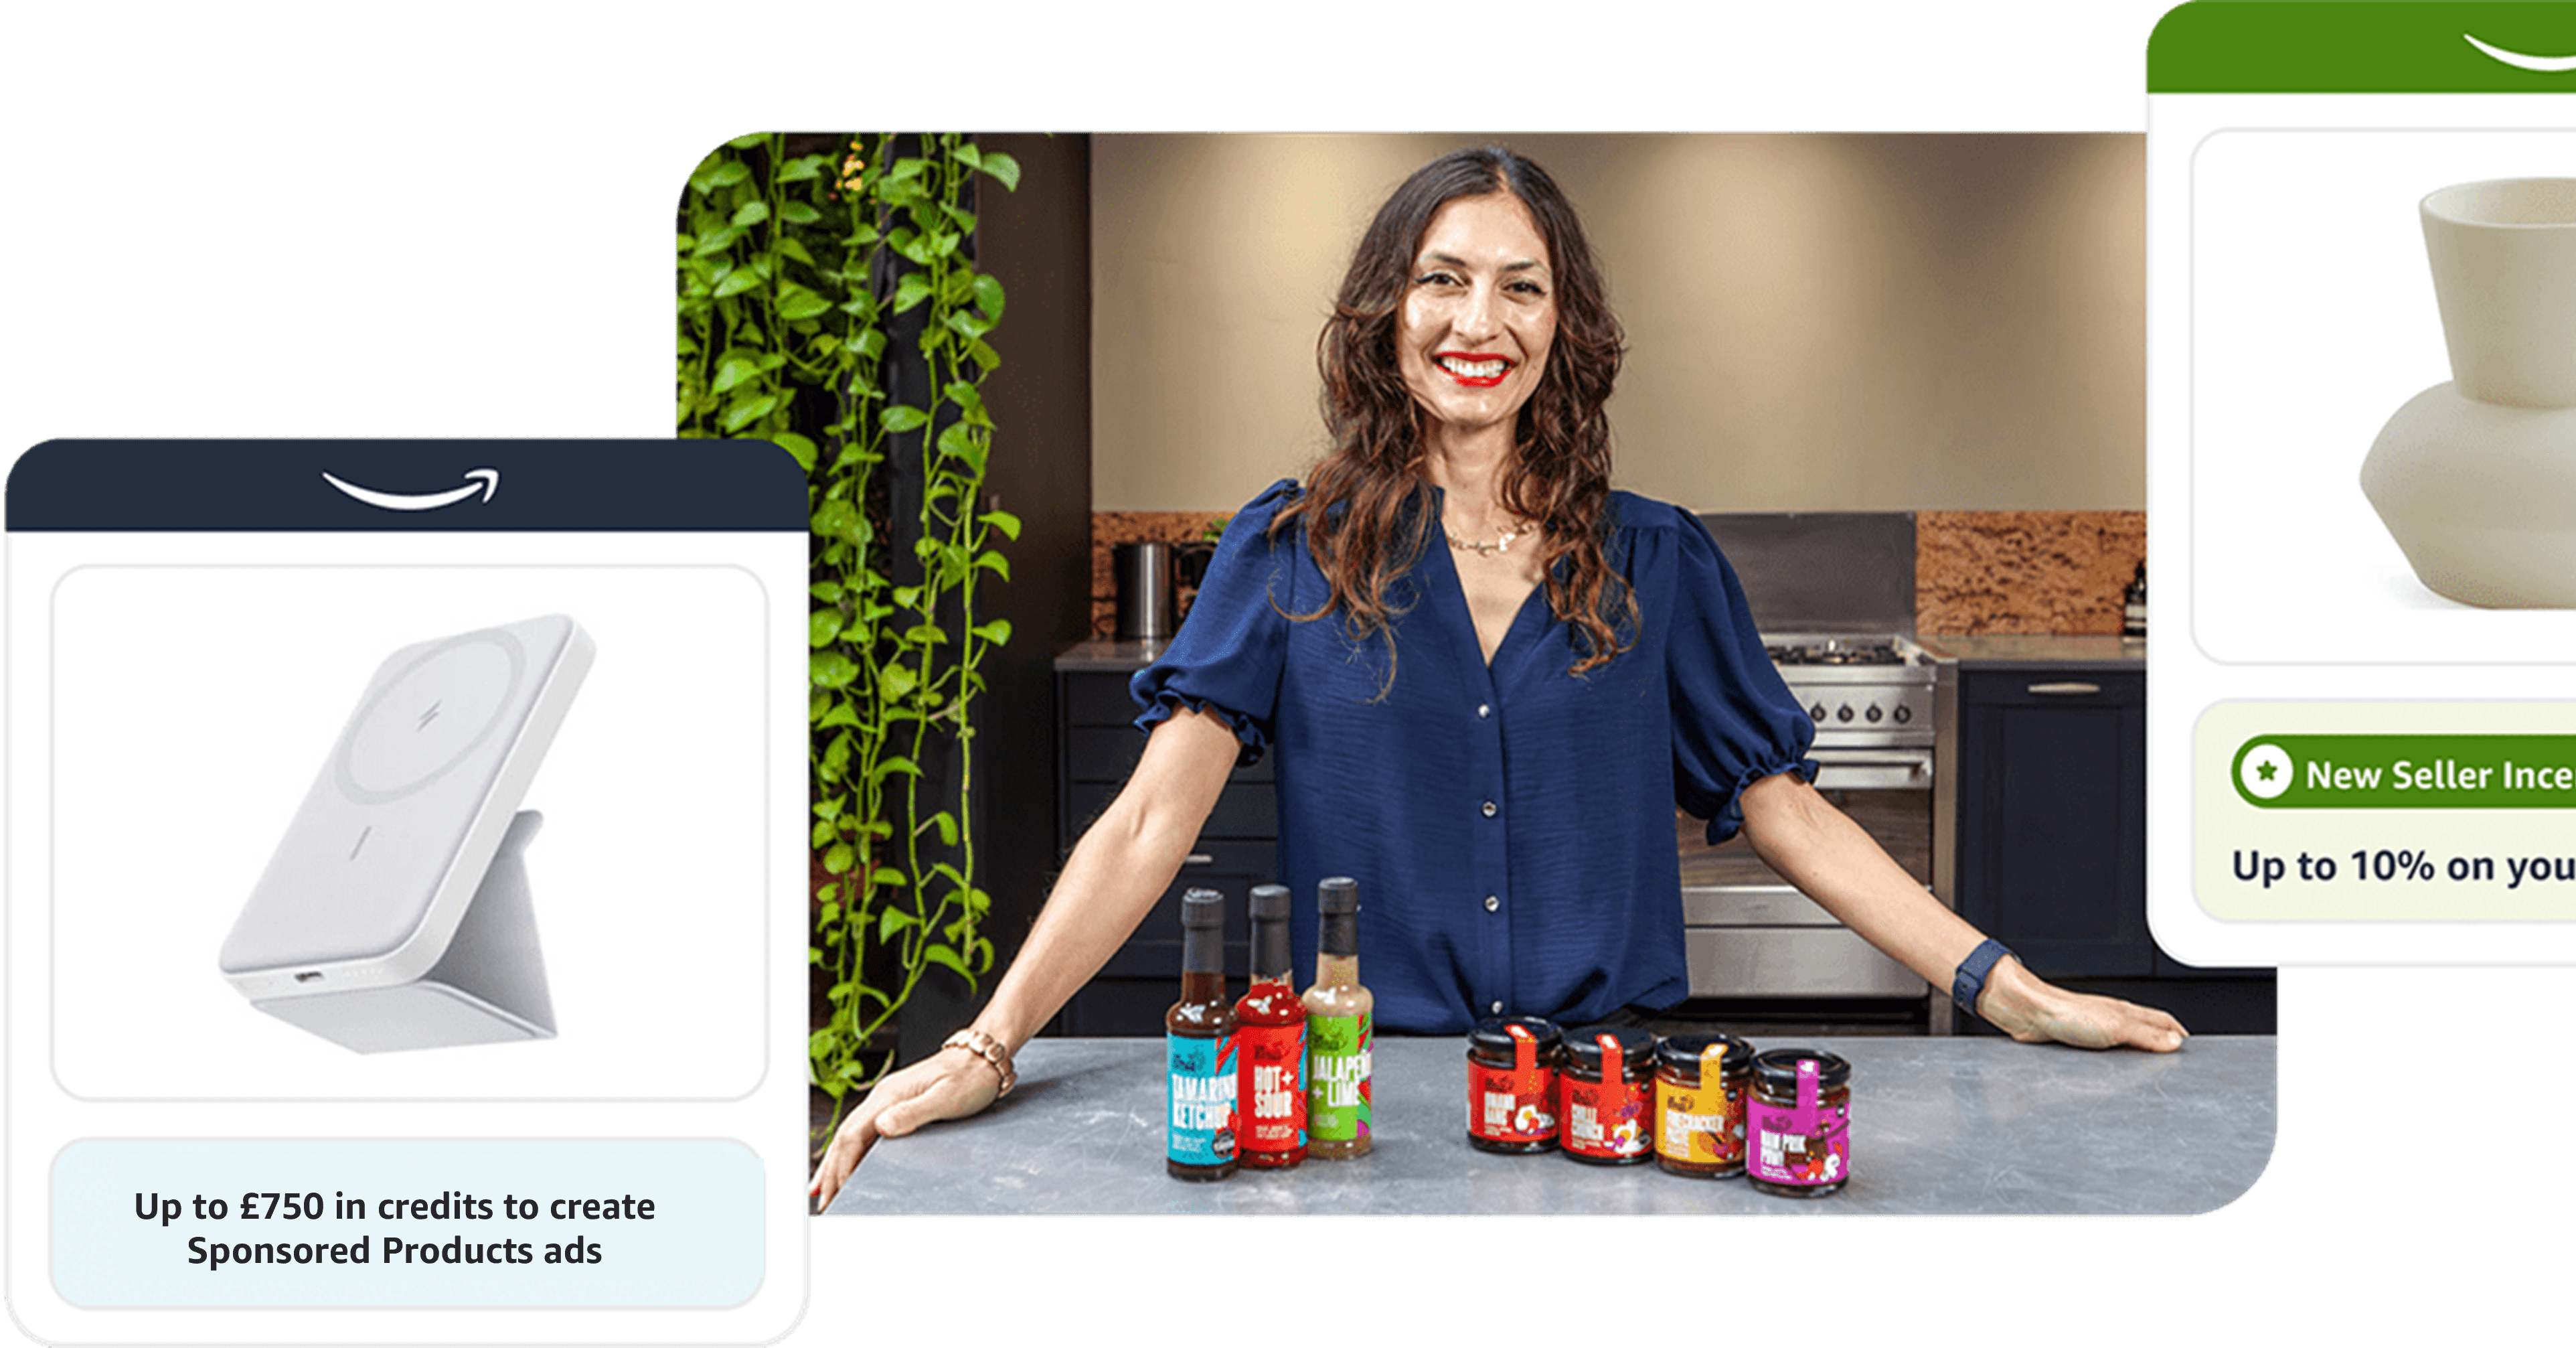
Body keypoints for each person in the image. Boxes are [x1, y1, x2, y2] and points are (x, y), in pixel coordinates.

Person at [811, 145, 2185, 1211]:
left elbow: (1783, 808)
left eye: (1520, 285)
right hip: (1363, 1110)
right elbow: (1146, 823)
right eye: (1443, 278)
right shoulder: (1287, 550)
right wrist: (987, 1044)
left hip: (1620, 1108)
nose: (1481, 320)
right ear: (1384, 312)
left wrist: (2006, 985)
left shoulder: (1658, 556)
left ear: (1561, 325)